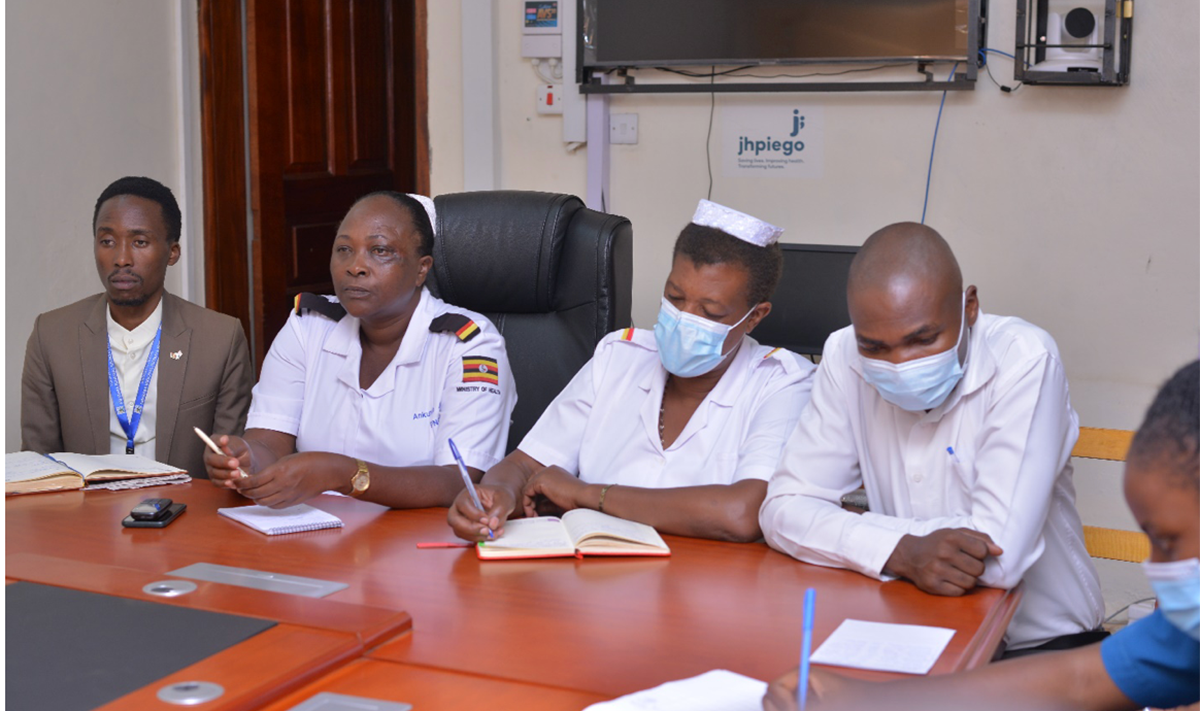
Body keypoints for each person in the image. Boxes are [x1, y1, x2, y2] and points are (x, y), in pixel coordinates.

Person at [764, 360, 1200, 711]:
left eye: (1168, 542)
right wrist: (859, 699)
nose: (1156, 569)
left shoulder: (1026, 358)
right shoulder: (1186, 635)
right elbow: (1078, 682)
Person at [760, 222, 1104, 653]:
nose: (900, 364)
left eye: (922, 339)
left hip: (1042, 644)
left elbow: (1000, 559)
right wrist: (904, 551)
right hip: (911, 626)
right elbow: (783, 510)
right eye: (876, 348)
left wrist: (854, 534)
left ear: (970, 307)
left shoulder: (1025, 360)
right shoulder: (843, 351)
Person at [448, 199, 815, 543]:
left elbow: (742, 513)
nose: (685, 318)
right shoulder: (619, 356)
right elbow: (527, 464)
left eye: (711, 312)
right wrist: (499, 494)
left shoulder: (783, 382)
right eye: (674, 297)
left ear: (755, 316)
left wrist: (587, 495)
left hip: (708, 590)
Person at [204, 191, 516, 509]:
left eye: (379, 251)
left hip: (419, 542)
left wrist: (346, 474)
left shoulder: (468, 344)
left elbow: (459, 481)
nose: (355, 267)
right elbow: (270, 442)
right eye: (344, 249)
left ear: (422, 269)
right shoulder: (307, 325)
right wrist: (244, 457)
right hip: (317, 537)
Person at [21, 176, 253, 477]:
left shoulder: (220, 338)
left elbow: (229, 465)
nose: (121, 258)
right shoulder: (51, 335)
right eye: (107, 241)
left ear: (172, 253)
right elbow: (39, 464)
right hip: (84, 517)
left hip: (183, 514)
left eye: (140, 242)